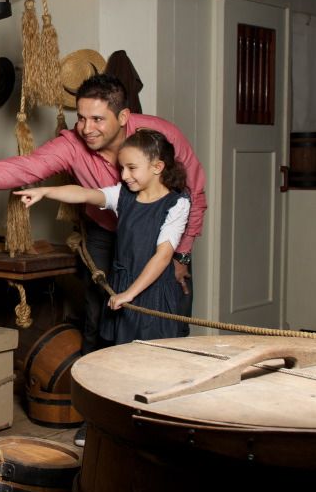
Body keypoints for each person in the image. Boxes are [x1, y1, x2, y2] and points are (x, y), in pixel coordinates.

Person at [0, 74, 207, 360]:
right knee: (99, 319)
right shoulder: (72, 144)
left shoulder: (162, 137)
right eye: (82, 118)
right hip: (105, 234)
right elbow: (29, 167)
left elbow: (194, 193)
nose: (87, 129)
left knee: (171, 321)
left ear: (124, 116)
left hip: (163, 240)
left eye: (98, 119)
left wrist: (182, 255)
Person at [14, 128, 191, 346]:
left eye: (131, 168)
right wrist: (45, 192)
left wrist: (129, 294)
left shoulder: (177, 203)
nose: (124, 175)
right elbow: (85, 194)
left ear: (158, 167)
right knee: (118, 357)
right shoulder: (123, 195)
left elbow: (163, 256)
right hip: (120, 288)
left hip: (152, 295)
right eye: (122, 168)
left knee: (151, 361)